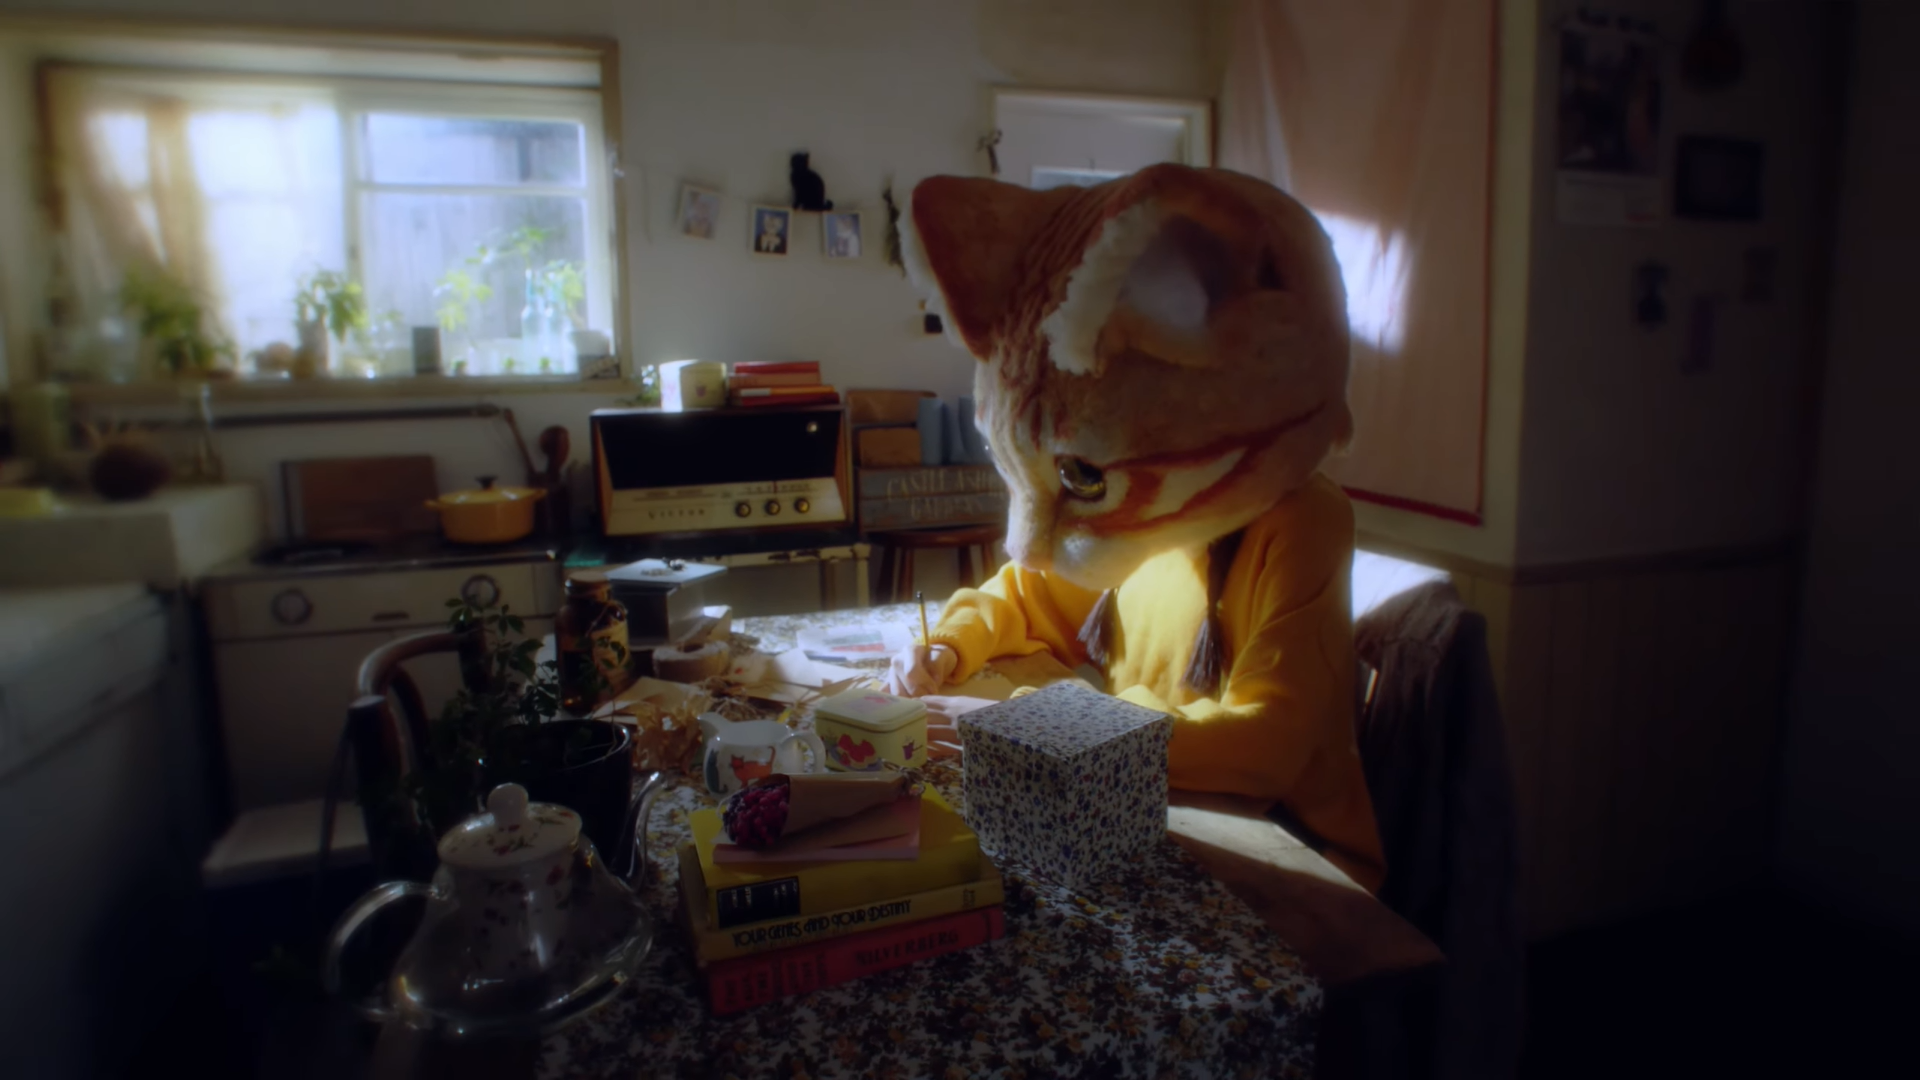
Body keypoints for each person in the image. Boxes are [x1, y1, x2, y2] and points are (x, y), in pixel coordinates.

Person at [883, 164, 1385, 890]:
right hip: (1159, 813)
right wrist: (949, 644)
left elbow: (1264, 748)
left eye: (1081, 476)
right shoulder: (1149, 515)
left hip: (1290, 861)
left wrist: (1031, 727)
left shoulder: (1302, 521)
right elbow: (1028, 594)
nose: (1023, 542)